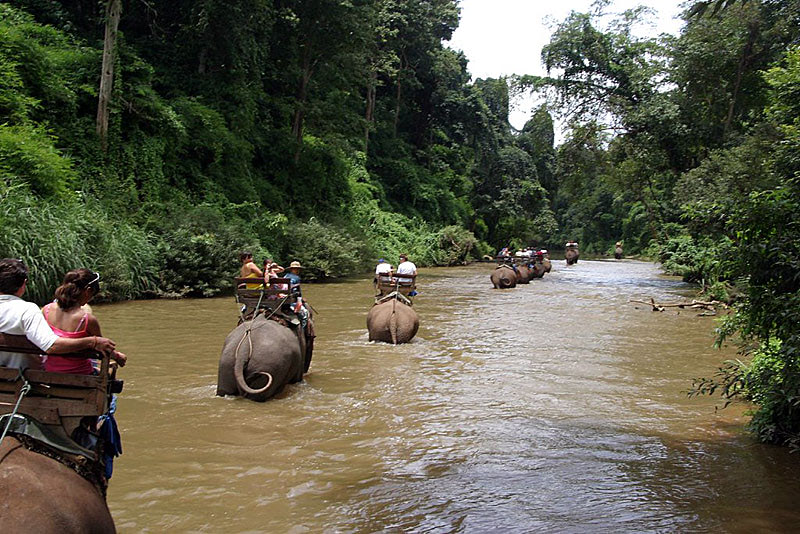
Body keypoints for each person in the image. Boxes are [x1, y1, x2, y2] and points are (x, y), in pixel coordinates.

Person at [0, 258, 116, 371]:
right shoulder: (27, 310)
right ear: (24, 284)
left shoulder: (45, 310)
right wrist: (93, 342)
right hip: (24, 378)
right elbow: (51, 346)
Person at [42, 269, 127, 375]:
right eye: (92, 295)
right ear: (88, 291)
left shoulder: (46, 310)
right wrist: (119, 356)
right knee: (110, 371)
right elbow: (105, 349)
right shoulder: (87, 320)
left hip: (48, 372)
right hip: (81, 376)